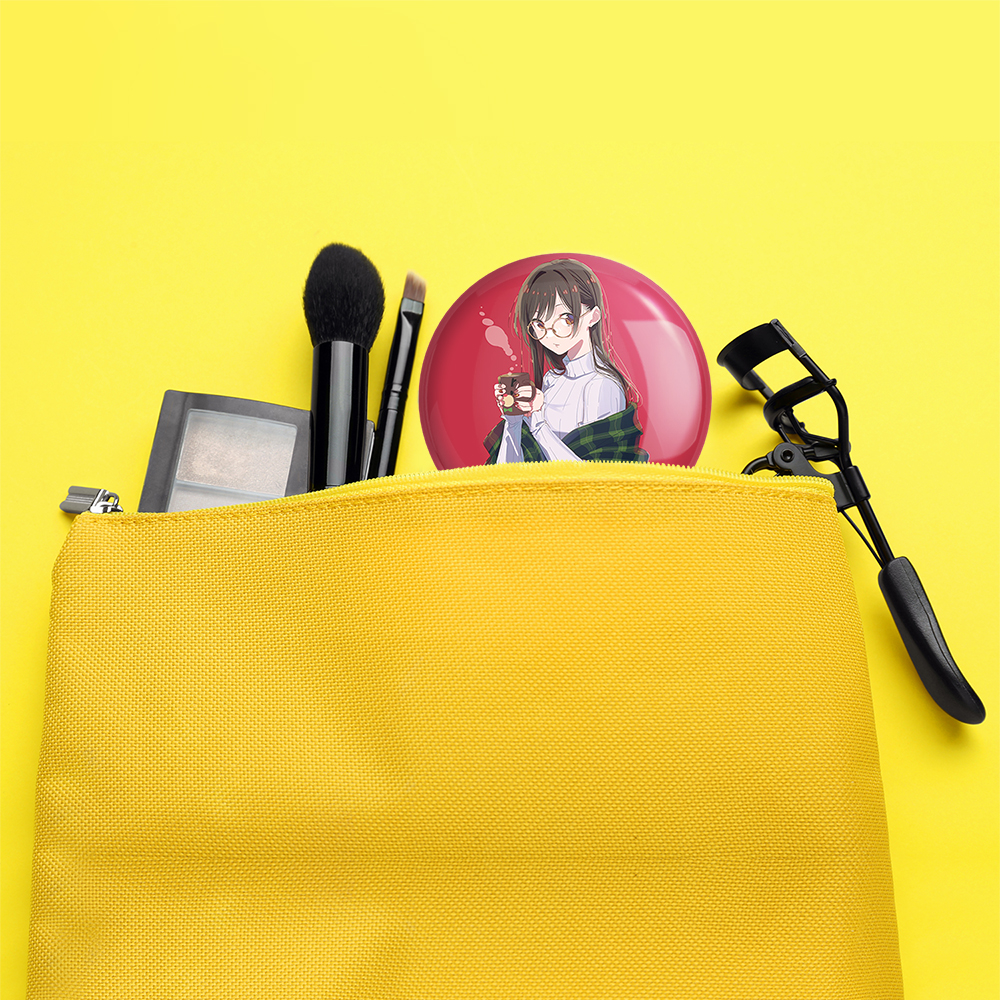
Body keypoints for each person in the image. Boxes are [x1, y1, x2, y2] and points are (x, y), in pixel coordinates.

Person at [484, 258, 647, 463]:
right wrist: (513, 421)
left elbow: (591, 476)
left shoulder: (602, 385)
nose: (550, 333)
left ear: (593, 316)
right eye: (539, 324)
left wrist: (538, 422)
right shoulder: (551, 380)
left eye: (565, 319)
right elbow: (508, 473)